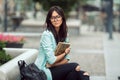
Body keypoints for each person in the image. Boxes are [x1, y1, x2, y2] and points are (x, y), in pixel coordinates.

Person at [35, 6, 90, 80]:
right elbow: (51, 60)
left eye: (58, 17)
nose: (56, 20)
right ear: (50, 20)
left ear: (62, 18)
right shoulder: (47, 35)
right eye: (53, 17)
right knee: (75, 66)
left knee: (82, 74)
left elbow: (67, 59)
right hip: (44, 71)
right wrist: (64, 53)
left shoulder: (64, 34)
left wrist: (53, 65)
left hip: (54, 68)